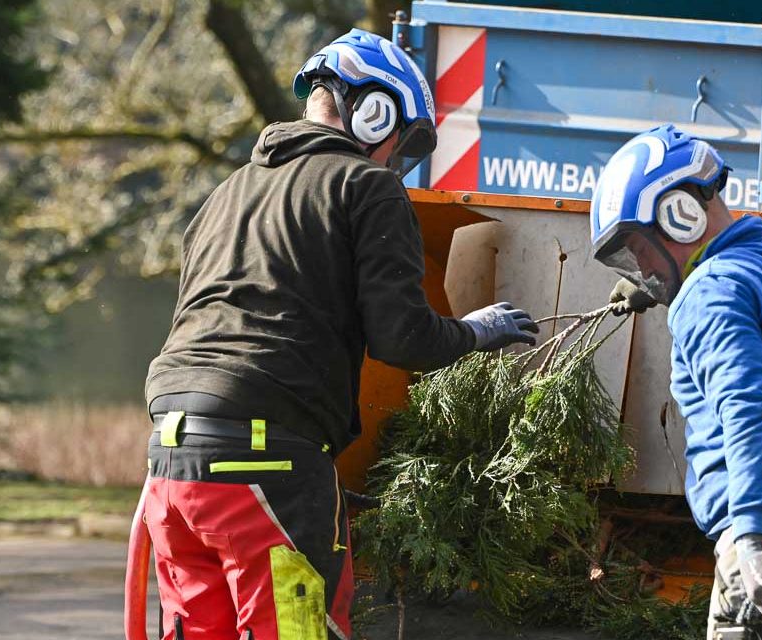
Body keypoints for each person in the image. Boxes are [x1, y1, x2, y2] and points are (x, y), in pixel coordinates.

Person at [142, 29, 538, 640]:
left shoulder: (226, 195)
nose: (393, 161)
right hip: (265, 457)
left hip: (171, 461)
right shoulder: (365, 186)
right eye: (399, 144)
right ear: (374, 111)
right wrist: (476, 333)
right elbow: (402, 338)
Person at [590, 124, 762, 639]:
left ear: (680, 213)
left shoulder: (712, 292)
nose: (642, 265)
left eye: (638, 246)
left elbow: (750, 411)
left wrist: (752, 540)